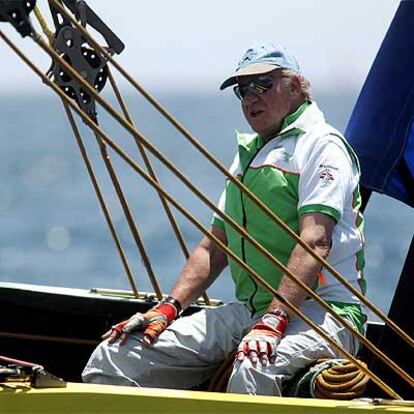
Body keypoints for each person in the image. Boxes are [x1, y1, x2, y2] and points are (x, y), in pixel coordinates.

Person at [82, 42, 366, 396]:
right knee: (116, 356)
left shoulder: (322, 146)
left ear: (294, 86)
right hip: (251, 310)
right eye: (243, 90)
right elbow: (215, 247)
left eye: (262, 84)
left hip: (323, 314)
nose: (251, 97)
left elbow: (315, 241)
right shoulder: (249, 155)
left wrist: (275, 319)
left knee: (253, 369)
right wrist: (170, 308)